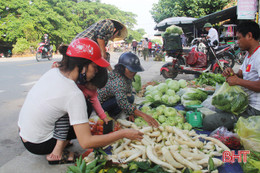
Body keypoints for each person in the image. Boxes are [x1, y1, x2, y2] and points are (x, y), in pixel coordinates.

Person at [18, 38, 143, 165]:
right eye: (94, 66)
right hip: (39, 144)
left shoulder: (54, 71)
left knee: (82, 107)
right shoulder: (73, 93)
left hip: (25, 134)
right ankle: (57, 153)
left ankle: (61, 141)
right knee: (85, 107)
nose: (96, 71)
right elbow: (85, 142)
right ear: (83, 65)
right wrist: (123, 133)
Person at [203, 21, 260, 131]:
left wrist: (237, 81)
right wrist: (232, 74)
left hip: (254, 109)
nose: (237, 42)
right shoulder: (249, 55)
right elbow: (241, 75)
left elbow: (242, 81)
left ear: (249, 36)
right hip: (243, 104)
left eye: (239, 38)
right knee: (213, 108)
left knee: (208, 122)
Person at [97, 52, 159, 127]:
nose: (134, 73)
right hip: (100, 106)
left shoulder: (126, 75)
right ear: (122, 68)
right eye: (131, 71)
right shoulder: (118, 81)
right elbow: (122, 102)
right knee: (128, 99)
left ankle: (122, 112)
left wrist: (130, 112)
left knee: (131, 97)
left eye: (135, 71)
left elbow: (129, 91)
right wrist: (144, 115)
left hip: (111, 98)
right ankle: (111, 115)